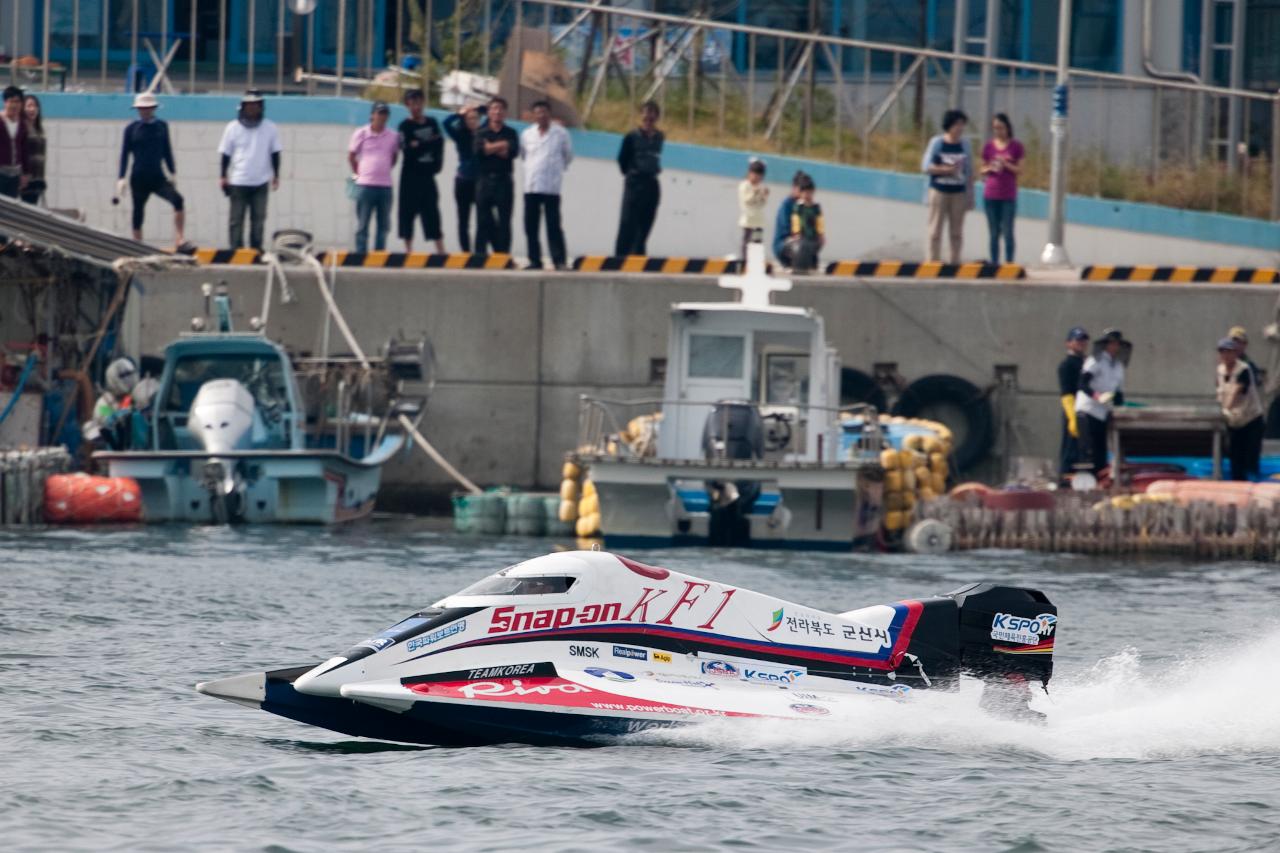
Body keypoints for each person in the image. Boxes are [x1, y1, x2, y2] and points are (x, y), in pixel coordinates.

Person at [117, 93, 191, 249]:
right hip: (138, 177)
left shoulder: (161, 126)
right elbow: (125, 154)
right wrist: (121, 177)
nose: (145, 111)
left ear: (153, 108)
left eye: (148, 108)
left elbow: (167, 150)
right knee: (138, 211)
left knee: (178, 200)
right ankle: (137, 243)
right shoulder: (131, 129)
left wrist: (173, 171)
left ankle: (180, 239)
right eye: (142, 108)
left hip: (157, 176)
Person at [218, 89, 282, 251]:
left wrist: (276, 175)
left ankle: (256, 249)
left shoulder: (270, 128)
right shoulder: (232, 128)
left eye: (256, 106)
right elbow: (225, 153)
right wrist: (222, 176)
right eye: (249, 106)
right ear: (242, 107)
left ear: (261, 107)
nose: (252, 109)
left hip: (261, 181)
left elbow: (275, 152)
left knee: (258, 218)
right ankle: (235, 249)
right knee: (236, 219)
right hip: (239, 180)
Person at [520, 100, 574, 270]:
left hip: (551, 187)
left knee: (554, 226)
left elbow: (567, 156)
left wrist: (556, 170)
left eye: (544, 112)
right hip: (532, 186)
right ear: (533, 115)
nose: (541, 115)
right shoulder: (527, 134)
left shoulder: (561, 133)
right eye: (538, 112)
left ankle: (559, 260)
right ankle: (535, 260)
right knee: (531, 226)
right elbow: (523, 155)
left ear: (549, 114)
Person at [921, 109, 973, 263]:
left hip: (958, 192)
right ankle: (932, 261)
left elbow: (969, 171)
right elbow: (926, 166)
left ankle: (954, 261)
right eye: (957, 124)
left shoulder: (965, 145)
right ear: (949, 125)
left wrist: (970, 195)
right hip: (939, 190)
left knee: (956, 231)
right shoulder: (937, 143)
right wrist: (945, 170)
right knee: (935, 230)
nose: (960, 128)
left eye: (962, 125)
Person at [1075, 328, 1128, 476]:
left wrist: (1120, 409)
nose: (1114, 347)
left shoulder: (1118, 366)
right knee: (1088, 449)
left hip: (1104, 411)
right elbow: (1082, 383)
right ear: (1106, 345)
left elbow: (1119, 392)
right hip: (1088, 408)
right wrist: (1096, 395)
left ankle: (1100, 479)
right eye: (1111, 343)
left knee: (1101, 449)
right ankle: (1087, 479)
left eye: (1117, 344)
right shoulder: (1095, 360)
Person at [397, 89, 445, 254]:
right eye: (412, 103)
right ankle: (409, 250)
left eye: (419, 102)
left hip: (428, 175)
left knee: (432, 212)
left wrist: (419, 144)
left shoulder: (432, 122)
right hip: (410, 177)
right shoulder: (404, 126)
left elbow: (439, 144)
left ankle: (440, 250)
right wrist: (427, 143)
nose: (416, 107)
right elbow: (408, 151)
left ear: (423, 103)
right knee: (407, 213)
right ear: (407, 105)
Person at [614, 100, 664, 256]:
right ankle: (621, 254)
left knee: (647, 220)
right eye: (646, 115)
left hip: (651, 182)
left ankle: (638, 252)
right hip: (635, 182)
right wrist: (632, 172)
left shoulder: (659, 137)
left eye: (652, 115)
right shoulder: (631, 136)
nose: (648, 119)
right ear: (641, 117)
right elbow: (622, 159)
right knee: (628, 220)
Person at [348, 102, 399, 254]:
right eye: (379, 113)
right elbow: (351, 156)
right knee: (363, 224)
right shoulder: (361, 133)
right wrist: (359, 173)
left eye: (384, 114)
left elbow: (394, 157)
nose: (381, 117)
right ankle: (361, 254)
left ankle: (379, 254)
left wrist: (382, 169)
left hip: (385, 186)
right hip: (365, 185)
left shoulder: (393, 136)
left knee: (383, 225)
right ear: (372, 115)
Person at [473, 96, 519, 254]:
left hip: (504, 181)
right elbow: (481, 151)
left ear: (505, 112)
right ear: (489, 112)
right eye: (494, 108)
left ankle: (503, 256)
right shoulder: (481, 132)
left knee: (505, 221)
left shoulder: (511, 132)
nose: (497, 111)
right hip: (484, 180)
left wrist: (491, 147)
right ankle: (480, 256)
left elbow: (510, 153)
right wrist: (502, 145)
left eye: (500, 108)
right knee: (482, 220)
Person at [1216, 337, 1265, 482]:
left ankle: (1253, 485)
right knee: (1234, 457)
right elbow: (1220, 391)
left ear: (1235, 353)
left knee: (1250, 458)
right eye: (1222, 352)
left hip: (1251, 419)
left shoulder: (1243, 369)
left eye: (1229, 352)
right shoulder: (1220, 370)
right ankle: (1237, 484)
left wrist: (1223, 409)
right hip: (1234, 421)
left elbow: (1235, 391)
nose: (1226, 355)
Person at [980, 112, 1023, 265]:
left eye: (1001, 128)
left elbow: (1020, 170)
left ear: (1007, 128)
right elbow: (982, 169)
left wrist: (1006, 164)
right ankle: (994, 262)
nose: (998, 131)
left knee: (1008, 231)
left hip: (1008, 195)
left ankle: (1009, 262)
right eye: (995, 128)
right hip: (991, 194)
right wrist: (990, 167)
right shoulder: (989, 147)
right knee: (994, 232)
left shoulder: (1016, 146)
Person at [442, 104, 486, 252]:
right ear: (465, 121)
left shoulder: (483, 133)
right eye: (469, 119)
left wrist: (480, 108)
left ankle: (480, 251)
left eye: (475, 118)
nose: (473, 121)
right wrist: (460, 113)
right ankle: (466, 251)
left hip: (479, 182)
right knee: (463, 220)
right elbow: (446, 123)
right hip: (463, 181)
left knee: (483, 218)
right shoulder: (461, 135)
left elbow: (490, 115)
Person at [1057, 326, 1090, 478]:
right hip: (1074, 410)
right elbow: (1066, 394)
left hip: (1088, 410)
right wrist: (1072, 416)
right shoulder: (1067, 365)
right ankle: (1064, 480)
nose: (1081, 343)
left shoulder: (1088, 364)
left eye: (1083, 340)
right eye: (1078, 340)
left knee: (1087, 450)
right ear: (1068, 343)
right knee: (1070, 448)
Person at [787, 175, 824, 273]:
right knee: (803, 249)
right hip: (802, 234)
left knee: (813, 250)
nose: (807, 195)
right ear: (801, 193)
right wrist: (796, 232)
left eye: (810, 192)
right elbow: (795, 219)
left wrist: (821, 233)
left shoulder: (816, 207)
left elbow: (819, 220)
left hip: (813, 233)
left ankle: (813, 266)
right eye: (805, 192)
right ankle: (800, 266)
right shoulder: (799, 206)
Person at [0, 85, 29, 199]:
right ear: (5, 102)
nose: (14, 105)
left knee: (10, 210)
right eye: (11, 101)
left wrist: (25, 173)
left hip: (15, 175)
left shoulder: (22, 125)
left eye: (17, 102)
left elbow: (24, 150)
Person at [772, 171, 804, 267]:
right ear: (794, 188)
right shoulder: (786, 205)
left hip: (797, 240)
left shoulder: (802, 205)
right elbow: (785, 228)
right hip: (783, 244)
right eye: (801, 190)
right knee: (799, 245)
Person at [738, 158, 768, 259]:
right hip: (748, 220)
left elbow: (762, 204)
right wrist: (755, 192)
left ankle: (756, 262)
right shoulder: (744, 185)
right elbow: (746, 200)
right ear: (749, 173)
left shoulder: (761, 186)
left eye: (760, 176)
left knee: (758, 242)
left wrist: (764, 196)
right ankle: (744, 260)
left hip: (758, 220)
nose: (757, 178)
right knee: (747, 242)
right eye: (755, 175)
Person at [20, 94, 45, 205]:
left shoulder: (39, 130)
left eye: (35, 106)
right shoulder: (22, 128)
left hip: (37, 180)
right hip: (25, 180)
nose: (32, 109)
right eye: (29, 106)